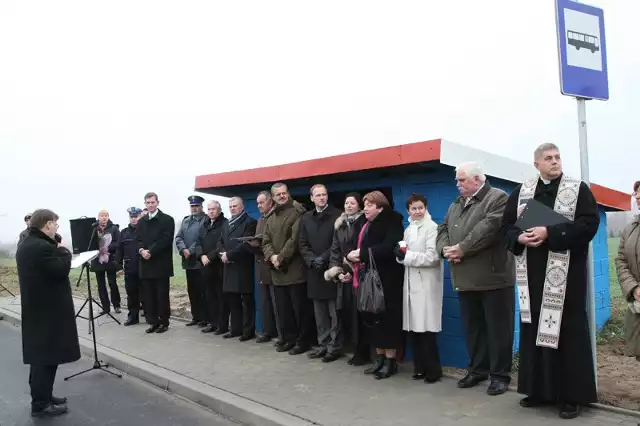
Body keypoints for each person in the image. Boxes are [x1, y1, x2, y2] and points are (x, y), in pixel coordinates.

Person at [501, 143, 600, 419]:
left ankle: (571, 396)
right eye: (548, 158)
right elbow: (506, 227)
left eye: (557, 157)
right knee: (534, 330)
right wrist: (518, 237)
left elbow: (589, 224)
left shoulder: (578, 188)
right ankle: (538, 390)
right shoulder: (522, 191)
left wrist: (549, 231)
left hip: (565, 277)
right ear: (537, 165)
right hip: (531, 276)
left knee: (567, 332)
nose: (555, 162)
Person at [436, 161, 515, 396]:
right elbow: (442, 229)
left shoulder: (497, 198)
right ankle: (478, 369)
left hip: (493, 278)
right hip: (465, 278)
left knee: (499, 330)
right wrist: (446, 250)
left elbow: (488, 229)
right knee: (473, 329)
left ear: (477, 180)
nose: (457, 184)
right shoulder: (456, 204)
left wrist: (462, 248)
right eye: (457, 180)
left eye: (461, 180)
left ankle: (500, 375)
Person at [16, 209, 81, 418]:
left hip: (39, 311)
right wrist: (63, 250)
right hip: (46, 313)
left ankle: (44, 395)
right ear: (47, 225)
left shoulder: (30, 243)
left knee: (43, 358)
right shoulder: (41, 247)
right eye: (55, 224)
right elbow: (60, 268)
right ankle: (41, 405)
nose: (56, 228)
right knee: (45, 359)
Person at [346, 191, 404, 379]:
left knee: (387, 319)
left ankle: (390, 361)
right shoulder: (363, 223)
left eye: (370, 205)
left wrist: (361, 254)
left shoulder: (393, 221)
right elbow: (352, 244)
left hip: (387, 279)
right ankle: (378, 359)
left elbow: (388, 247)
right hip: (367, 277)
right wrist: (350, 254)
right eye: (365, 204)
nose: (366, 209)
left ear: (380, 207)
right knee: (372, 317)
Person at [395, 193, 443, 383]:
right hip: (411, 281)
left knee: (427, 329)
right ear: (408, 210)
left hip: (426, 283)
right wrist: (400, 255)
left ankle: (433, 370)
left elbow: (432, 257)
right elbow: (406, 253)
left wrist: (407, 257)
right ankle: (419, 367)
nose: (417, 211)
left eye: (420, 207)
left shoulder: (432, 228)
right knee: (415, 328)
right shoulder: (409, 229)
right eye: (413, 208)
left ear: (426, 208)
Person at [262, 182, 313, 355]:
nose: (282, 196)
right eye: (278, 194)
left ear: (288, 193)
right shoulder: (271, 217)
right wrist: (272, 256)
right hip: (277, 272)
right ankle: (289, 339)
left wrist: (281, 257)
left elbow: (295, 239)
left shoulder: (297, 211)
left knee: (300, 310)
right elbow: (265, 240)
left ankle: (303, 341)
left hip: (295, 270)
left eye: (284, 193)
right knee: (284, 310)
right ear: (273, 197)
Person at [324, 192, 370, 366]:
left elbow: (362, 249)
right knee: (347, 313)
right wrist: (338, 272)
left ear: (359, 205)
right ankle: (354, 348)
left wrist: (352, 270)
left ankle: (363, 351)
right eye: (346, 203)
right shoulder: (340, 225)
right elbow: (335, 250)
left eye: (352, 203)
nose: (349, 206)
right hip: (344, 275)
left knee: (361, 314)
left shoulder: (364, 223)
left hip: (360, 274)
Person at [299, 184, 343, 362]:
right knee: (320, 313)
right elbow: (302, 243)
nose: (321, 198)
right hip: (314, 271)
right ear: (311, 198)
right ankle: (322, 344)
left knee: (334, 312)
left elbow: (337, 241)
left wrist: (323, 258)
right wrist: (311, 260)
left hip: (331, 269)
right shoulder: (306, 217)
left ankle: (335, 346)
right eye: (318, 195)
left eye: (324, 194)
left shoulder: (337, 215)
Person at [217, 197, 258, 341]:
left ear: (242, 206)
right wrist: (222, 254)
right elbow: (220, 241)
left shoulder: (250, 222)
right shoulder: (227, 223)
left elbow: (247, 244)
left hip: (242, 266)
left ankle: (248, 331)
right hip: (228, 266)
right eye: (230, 206)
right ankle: (235, 329)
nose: (232, 208)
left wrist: (229, 255)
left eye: (235, 206)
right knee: (232, 300)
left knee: (246, 301)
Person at [137, 192, 175, 334]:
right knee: (149, 295)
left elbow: (165, 240)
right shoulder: (141, 221)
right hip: (145, 264)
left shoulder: (167, 220)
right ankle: (152, 321)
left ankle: (163, 322)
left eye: (153, 202)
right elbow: (138, 239)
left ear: (158, 203)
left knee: (161, 295)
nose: (150, 205)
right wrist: (141, 250)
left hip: (160, 264)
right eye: (148, 203)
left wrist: (150, 251)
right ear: (145, 204)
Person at [246, 190, 280, 344]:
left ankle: (281, 334)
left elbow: (275, 242)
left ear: (270, 202)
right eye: (257, 203)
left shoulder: (275, 217)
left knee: (277, 304)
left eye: (261, 202)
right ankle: (268, 331)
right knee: (265, 303)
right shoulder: (261, 219)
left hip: (273, 266)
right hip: (261, 267)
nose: (259, 206)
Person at [196, 200, 229, 334]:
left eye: (214, 209)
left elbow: (221, 244)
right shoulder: (204, 224)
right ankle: (212, 322)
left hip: (218, 266)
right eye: (209, 209)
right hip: (206, 266)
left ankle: (222, 325)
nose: (211, 211)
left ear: (219, 210)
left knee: (221, 297)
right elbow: (198, 242)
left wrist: (210, 256)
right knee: (209, 296)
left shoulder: (225, 223)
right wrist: (201, 255)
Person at [175, 195, 207, 327]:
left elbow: (202, 238)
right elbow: (178, 237)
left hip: (199, 260)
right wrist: (183, 249)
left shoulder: (205, 220)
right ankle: (196, 317)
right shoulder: (186, 220)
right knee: (192, 291)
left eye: (196, 206)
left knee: (202, 291)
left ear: (201, 206)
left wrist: (191, 250)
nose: (194, 208)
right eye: (192, 206)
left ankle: (205, 318)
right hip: (188, 261)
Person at [616, 187, 640, 362]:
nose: (637, 196)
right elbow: (621, 260)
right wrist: (634, 287)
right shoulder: (630, 229)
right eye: (636, 192)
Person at [91, 209, 122, 314]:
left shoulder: (114, 228)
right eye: (102, 215)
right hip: (97, 260)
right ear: (98, 217)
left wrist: (108, 248)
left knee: (112, 283)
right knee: (101, 285)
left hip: (110, 260)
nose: (104, 217)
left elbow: (118, 243)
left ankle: (116, 305)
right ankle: (105, 307)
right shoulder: (93, 229)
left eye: (106, 215)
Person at [117, 206, 144, 326]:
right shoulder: (124, 233)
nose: (134, 219)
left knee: (146, 293)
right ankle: (133, 317)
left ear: (140, 216)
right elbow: (119, 250)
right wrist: (118, 266)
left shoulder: (144, 230)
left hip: (144, 267)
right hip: (130, 268)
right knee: (131, 294)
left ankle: (150, 316)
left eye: (136, 217)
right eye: (132, 217)